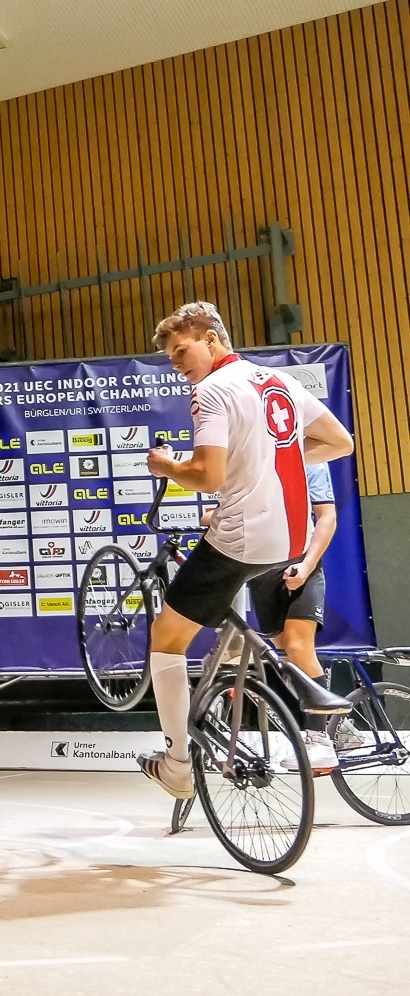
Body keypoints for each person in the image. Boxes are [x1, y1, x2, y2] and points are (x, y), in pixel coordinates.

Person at [137, 302, 354, 801]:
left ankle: (175, 765)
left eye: (180, 350)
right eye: (171, 356)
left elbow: (207, 477)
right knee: (235, 598)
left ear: (210, 338)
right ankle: (242, 652)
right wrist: (266, 462)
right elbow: (338, 442)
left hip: (242, 539)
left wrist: (166, 466)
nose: (176, 363)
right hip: (290, 540)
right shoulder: (281, 382)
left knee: (166, 638)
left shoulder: (211, 390)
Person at [247, 462, 368, 769]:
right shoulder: (246, 450)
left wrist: (308, 565)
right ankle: (339, 728)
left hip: (300, 562)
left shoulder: (308, 456)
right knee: (285, 656)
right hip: (260, 569)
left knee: (300, 647)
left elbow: (326, 515)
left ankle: (320, 741)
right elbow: (216, 512)